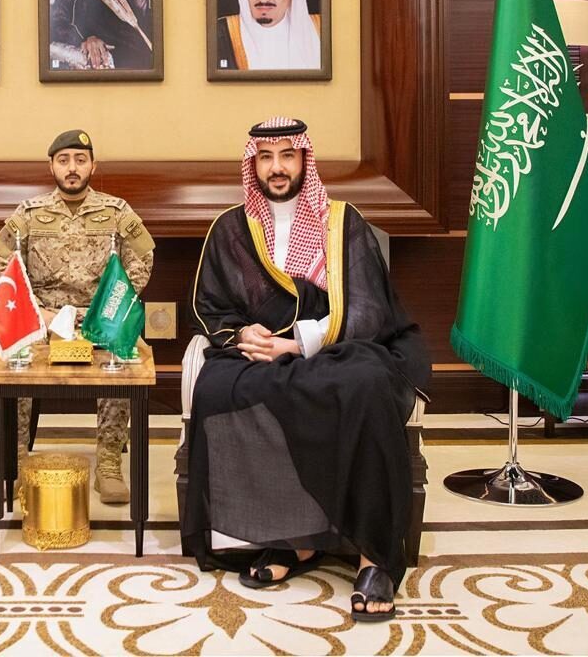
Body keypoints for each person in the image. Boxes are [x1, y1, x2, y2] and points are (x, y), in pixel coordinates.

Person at [182, 117, 430, 621]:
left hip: (339, 346)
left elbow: (369, 310)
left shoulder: (343, 221)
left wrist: (298, 343)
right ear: (253, 164)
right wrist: (243, 336)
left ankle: (374, 556)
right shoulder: (231, 227)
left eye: (287, 156)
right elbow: (211, 305)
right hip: (261, 352)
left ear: (303, 160)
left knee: (363, 385)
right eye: (266, 158)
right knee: (222, 388)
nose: (277, 168)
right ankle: (293, 537)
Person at [0, 129, 154, 503]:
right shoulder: (29, 213)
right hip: (44, 318)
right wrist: (38, 313)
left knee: (122, 352)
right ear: (51, 166)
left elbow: (142, 258)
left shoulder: (117, 211)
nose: (72, 168)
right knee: (15, 354)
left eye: (80, 160)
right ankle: (17, 460)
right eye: (63, 160)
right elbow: (5, 264)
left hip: (100, 316)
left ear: (93, 165)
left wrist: (110, 309)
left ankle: (109, 462)